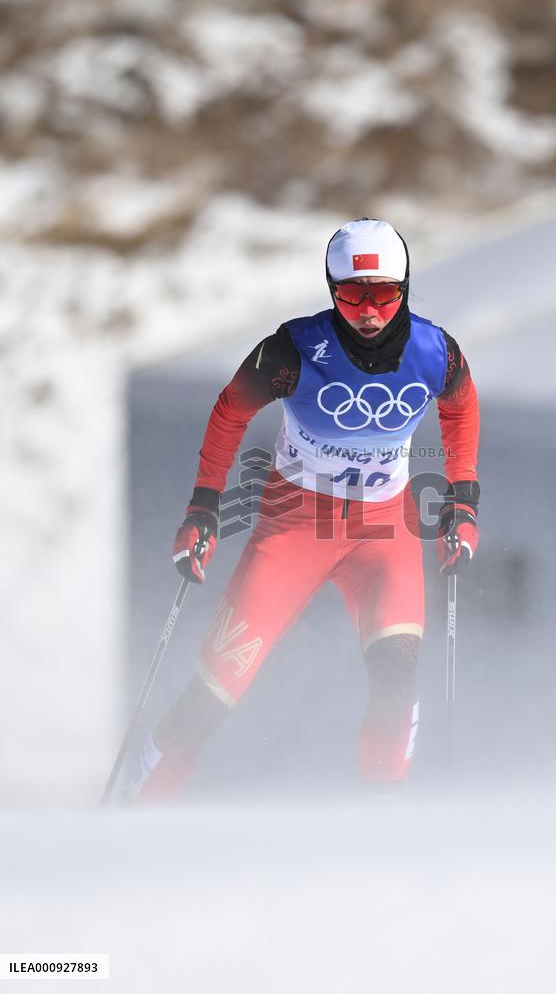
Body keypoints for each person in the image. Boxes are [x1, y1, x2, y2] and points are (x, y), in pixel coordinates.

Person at [130, 219, 480, 800]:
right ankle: (131, 816)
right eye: (352, 295)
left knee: (397, 679)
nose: (369, 311)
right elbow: (228, 412)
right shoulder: (293, 349)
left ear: (405, 287)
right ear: (331, 289)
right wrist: (203, 511)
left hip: (382, 531)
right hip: (293, 526)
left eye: (384, 294)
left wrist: (462, 502)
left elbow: (461, 406)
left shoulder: (434, 352)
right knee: (208, 700)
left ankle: (382, 832)